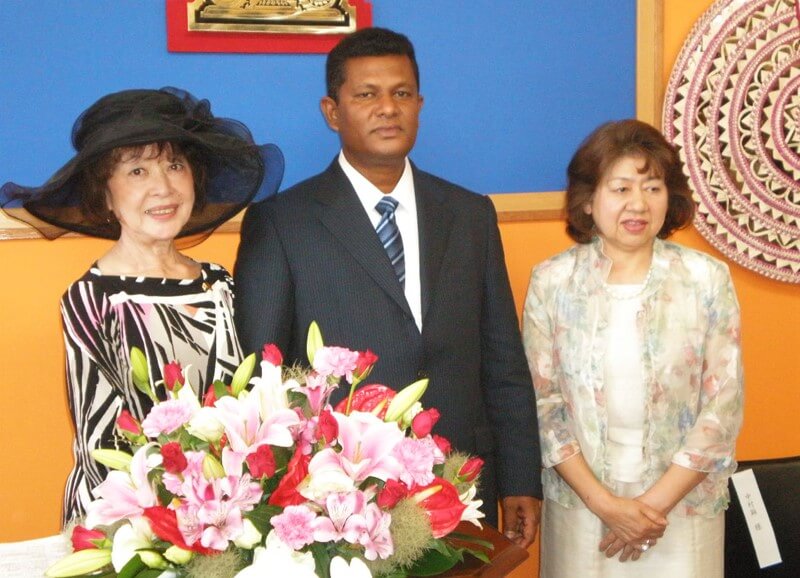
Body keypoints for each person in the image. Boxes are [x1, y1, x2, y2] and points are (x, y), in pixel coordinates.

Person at [234, 27, 542, 546]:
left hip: (462, 481)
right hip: (339, 496)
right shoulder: (282, 223)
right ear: (332, 112)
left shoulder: (469, 214)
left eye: (401, 93)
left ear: (419, 104)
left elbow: (503, 362)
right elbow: (263, 376)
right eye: (366, 94)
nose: (387, 108)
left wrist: (519, 478)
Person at [0, 87, 284, 525]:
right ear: (105, 195)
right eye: (137, 171)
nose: (163, 187)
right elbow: (102, 446)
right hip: (132, 525)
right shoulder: (93, 298)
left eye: (175, 165)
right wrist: (167, 527)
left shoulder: (221, 283)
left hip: (227, 513)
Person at [522, 119, 744, 577]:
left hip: (679, 509)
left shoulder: (706, 279)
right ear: (589, 200)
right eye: (621, 188)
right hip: (584, 508)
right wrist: (606, 505)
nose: (638, 203)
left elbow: (722, 406)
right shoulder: (553, 282)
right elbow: (542, 405)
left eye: (653, 188)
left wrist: (650, 509)